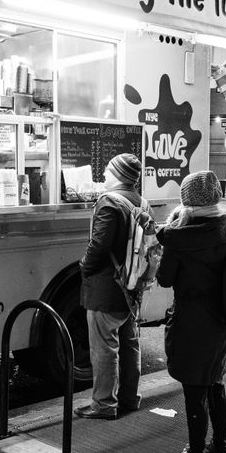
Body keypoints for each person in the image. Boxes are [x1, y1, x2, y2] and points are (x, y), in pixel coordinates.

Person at [156, 170, 226, 453]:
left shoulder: (178, 238)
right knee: (215, 383)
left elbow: (165, 279)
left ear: (187, 201)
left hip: (190, 322)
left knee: (193, 388)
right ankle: (220, 445)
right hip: (220, 322)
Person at [74, 153, 151, 420]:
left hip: (107, 287)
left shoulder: (110, 202)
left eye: (107, 170)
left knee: (104, 348)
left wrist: (84, 267)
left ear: (118, 174)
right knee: (129, 343)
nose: (104, 175)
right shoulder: (141, 202)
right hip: (132, 285)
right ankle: (130, 398)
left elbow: (99, 245)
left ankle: (104, 405)